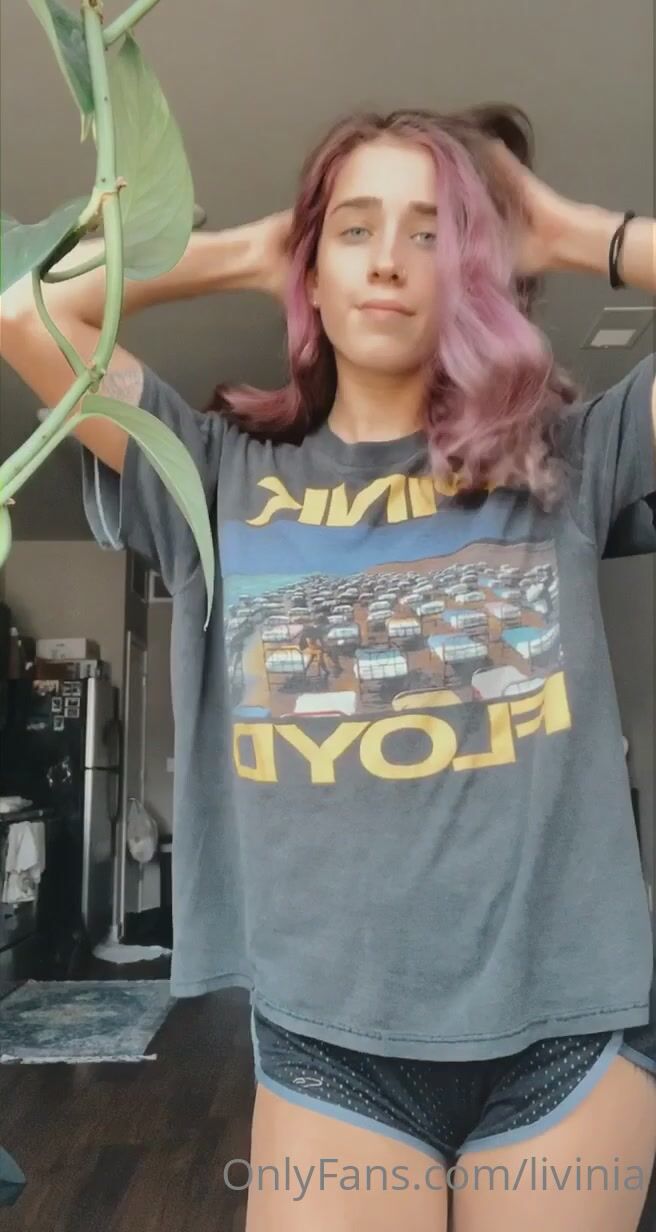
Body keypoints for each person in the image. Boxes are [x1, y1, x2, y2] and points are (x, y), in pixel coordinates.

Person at [2, 103, 656, 1232]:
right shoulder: (214, 473)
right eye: (354, 228)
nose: (389, 260)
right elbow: (23, 308)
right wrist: (247, 253)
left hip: (567, 1023)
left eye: (430, 231)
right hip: (332, 1040)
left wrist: (564, 230)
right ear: (313, 267)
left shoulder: (566, 457)